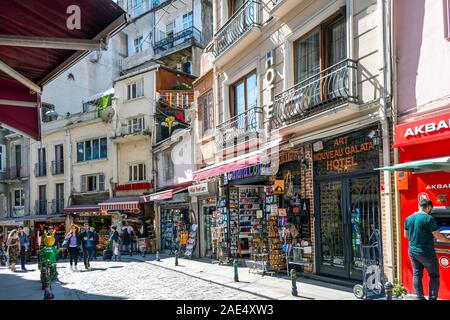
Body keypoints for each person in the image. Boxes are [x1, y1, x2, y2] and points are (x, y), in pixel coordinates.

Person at [405, 198, 450, 300]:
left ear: (419, 206)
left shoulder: (409, 218)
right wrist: (448, 240)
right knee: (434, 276)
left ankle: (420, 297)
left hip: (412, 251)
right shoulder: (428, 219)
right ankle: (432, 298)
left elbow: (406, 235)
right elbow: (438, 237)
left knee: (417, 274)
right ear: (429, 207)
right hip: (426, 252)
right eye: (431, 209)